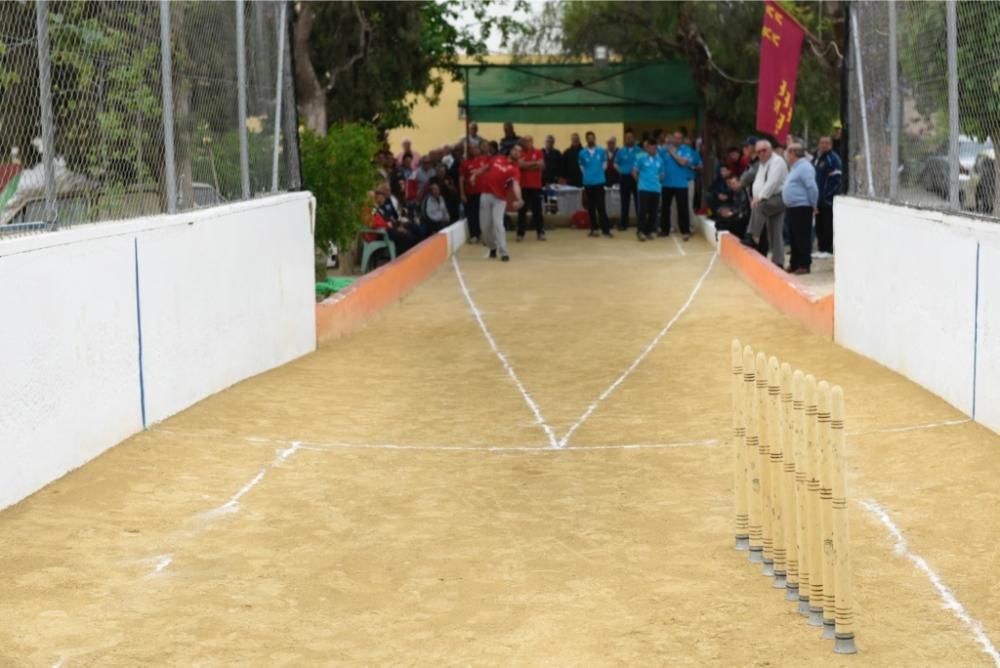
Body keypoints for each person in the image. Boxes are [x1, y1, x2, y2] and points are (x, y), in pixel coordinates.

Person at [471, 144, 524, 262]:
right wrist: (475, 174)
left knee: (498, 224)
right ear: (510, 150)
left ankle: (504, 252)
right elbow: (485, 167)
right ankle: (492, 247)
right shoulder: (498, 158)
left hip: (500, 199)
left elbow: (516, 185)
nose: (516, 152)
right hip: (485, 194)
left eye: (519, 151)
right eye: (515, 149)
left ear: (520, 155)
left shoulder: (515, 170)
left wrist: (519, 199)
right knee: (484, 227)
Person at [748, 139, 789, 268]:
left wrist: (759, 198)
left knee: (759, 208)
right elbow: (759, 182)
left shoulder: (777, 162)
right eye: (758, 151)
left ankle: (753, 237)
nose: (761, 153)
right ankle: (779, 261)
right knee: (775, 232)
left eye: (763, 150)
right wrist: (756, 196)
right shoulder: (763, 163)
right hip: (771, 198)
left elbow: (772, 183)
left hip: (778, 197)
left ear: (770, 150)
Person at [782, 142, 819, 275]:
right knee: (793, 237)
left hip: (802, 207)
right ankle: (795, 263)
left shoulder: (805, 167)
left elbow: (812, 188)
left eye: (788, 152)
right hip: (792, 207)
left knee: (802, 237)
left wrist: (814, 204)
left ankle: (804, 264)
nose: (786, 155)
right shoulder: (795, 167)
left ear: (793, 153)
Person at [658, 130, 695, 240]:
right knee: (665, 208)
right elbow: (655, 155)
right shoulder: (664, 150)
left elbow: (683, 162)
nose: (676, 140)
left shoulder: (686, 150)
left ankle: (685, 231)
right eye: (675, 138)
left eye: (679, 138)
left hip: (681, 184)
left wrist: (673, 152)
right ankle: (665, 230)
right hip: (666, 183)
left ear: (682, 140)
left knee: (682, 208)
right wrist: (666, 145)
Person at [813, 135, 842, 256]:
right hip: (817, 200)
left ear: (830, 144)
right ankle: (821, 247)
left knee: (827, 225)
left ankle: (828, 248)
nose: (824, 145)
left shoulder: (833, 158)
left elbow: (837, 179)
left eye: (826, 143)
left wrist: (827, 196)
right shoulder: (817, 158)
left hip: (827, 200)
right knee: (819, 225)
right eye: (822, 142)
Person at [578, 131, 612, 237]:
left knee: (601, 206)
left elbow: (605, 165)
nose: (590, 139)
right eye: (588, 138)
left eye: (592, 138)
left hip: (599, 182)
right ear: (586, 139)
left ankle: (606, 230)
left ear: (595, 138)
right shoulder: (582, 153)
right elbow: (581, 167)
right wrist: (589, 175)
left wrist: (597, 173)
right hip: (588, 183)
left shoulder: (601, 151)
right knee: (591, 207)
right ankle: (594, 229)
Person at [632, 139, 664, 241]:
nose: (653, 149)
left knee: (653, 211)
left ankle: (651, 231)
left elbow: (662, 174)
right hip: (644, 188)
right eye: (651, 147)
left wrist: (659, 179)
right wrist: (639, 181)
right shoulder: (641, 158)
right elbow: (634, 171)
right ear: (647, 148)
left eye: (655, 148)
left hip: (656, 189)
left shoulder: (660, 160)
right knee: (642, 211)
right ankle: (641, 231)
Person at [516, 136, 546, 241]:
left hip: (535, 186)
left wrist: (526, 166)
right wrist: (534, 164)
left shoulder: (538, 152)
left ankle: (540, 232)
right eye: (524, 141)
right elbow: (519, 165)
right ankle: (520, 233)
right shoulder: (520, 152)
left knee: (537, 210)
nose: (526, 142)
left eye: (528, 141)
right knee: (522, 210)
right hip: (523, 186)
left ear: (532, 142)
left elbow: (541, 165)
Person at [614, 131, 641, 230]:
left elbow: (642, 164)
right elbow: (615, 163)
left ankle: (640, 224)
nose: (629, 139)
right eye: (627, 137)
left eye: (630, 137)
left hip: (636, 178)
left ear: (634, 138)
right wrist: (620, 171)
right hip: (624, 178)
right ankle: (624, 224)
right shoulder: (620, 151)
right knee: (624, 202)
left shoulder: (639, 151)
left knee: (639, 202)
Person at [459, 142, 485, 243]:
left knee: (482, 214)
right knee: (472, 215)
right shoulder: (464, 163)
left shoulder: (484, 161)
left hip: (483, 192)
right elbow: (461, 179)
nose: (473, 150)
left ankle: (482, 234)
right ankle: (474, 235)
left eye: (475, 147)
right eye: (471, 148)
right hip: (470, 193)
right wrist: (462, 193)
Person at [714, 175, 750, 240]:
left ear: (739, 183)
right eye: (731, 184)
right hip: (735, 212)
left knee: (725, 220)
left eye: (734, 183)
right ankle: (720, 237)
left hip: (742, 215)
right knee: (720, 213)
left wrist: (732, 212)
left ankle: (723, 238)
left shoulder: (743, 192)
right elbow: (732, 205)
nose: (732, 185)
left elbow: (743, 207)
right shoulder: (734, 192)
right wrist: (727, 210)